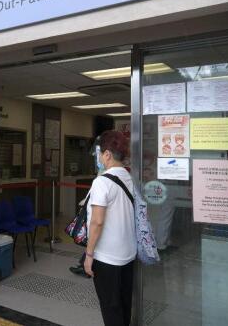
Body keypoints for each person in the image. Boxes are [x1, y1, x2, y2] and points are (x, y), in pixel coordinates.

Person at [83, 130, 136, 326]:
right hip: (128, 254)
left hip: (107, 258)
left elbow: (97, 221)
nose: (98, 158)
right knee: (124, 305)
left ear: (107, 154)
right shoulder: (129, 178)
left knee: (111, 308)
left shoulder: (102, 182)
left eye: (99, 153)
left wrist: (89, 255)